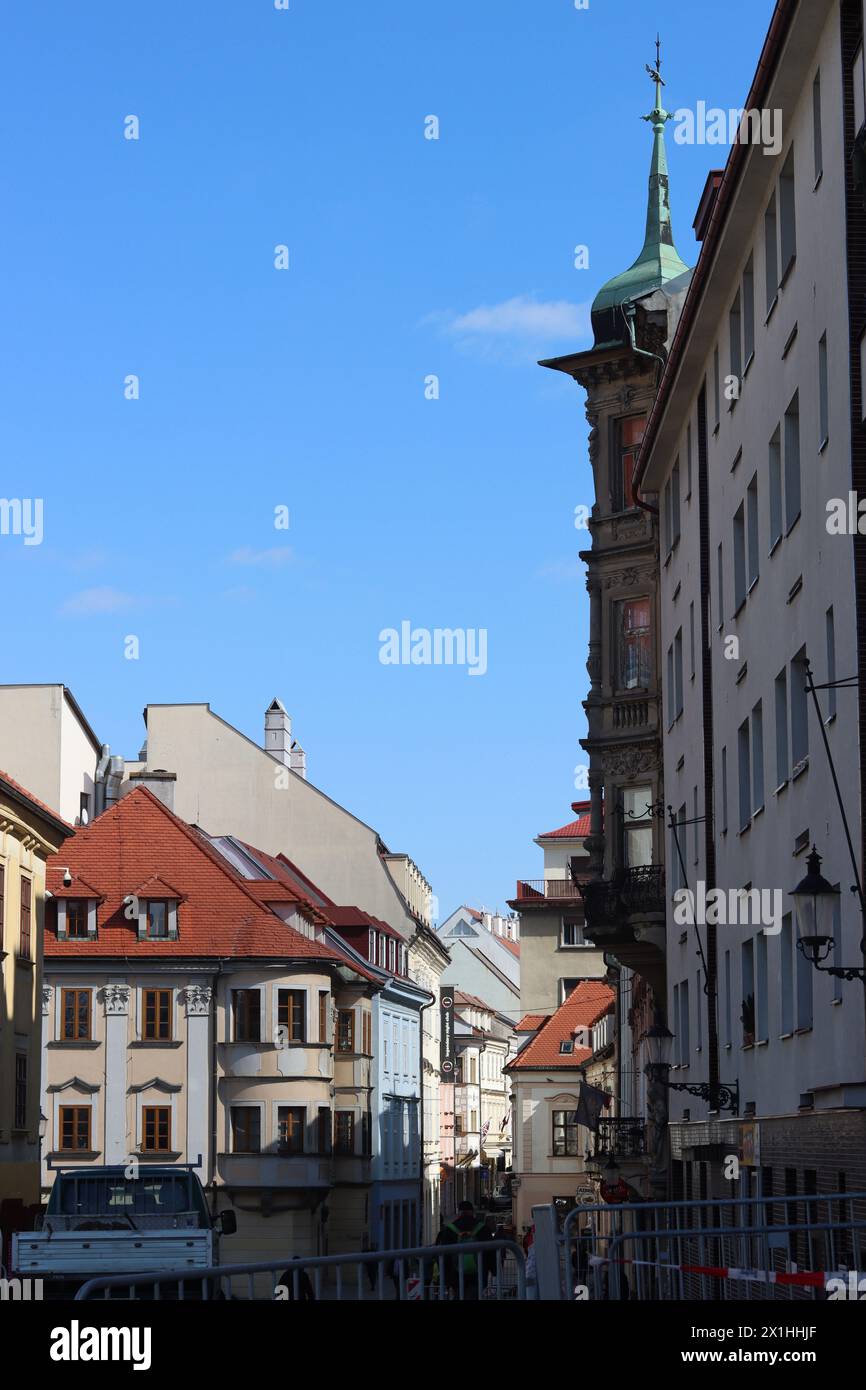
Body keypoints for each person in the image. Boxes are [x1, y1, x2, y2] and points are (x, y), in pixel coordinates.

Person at [434, 1200, 494, 1300]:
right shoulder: (483, 1229)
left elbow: (443, 1254)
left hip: (455, 1275)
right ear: (472, 1212)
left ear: (459, 1212)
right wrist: (493, 1270)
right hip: (478, 1274)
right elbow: (491, 1252)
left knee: (459, 1294)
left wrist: (444, 1276)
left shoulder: (449, 1230)